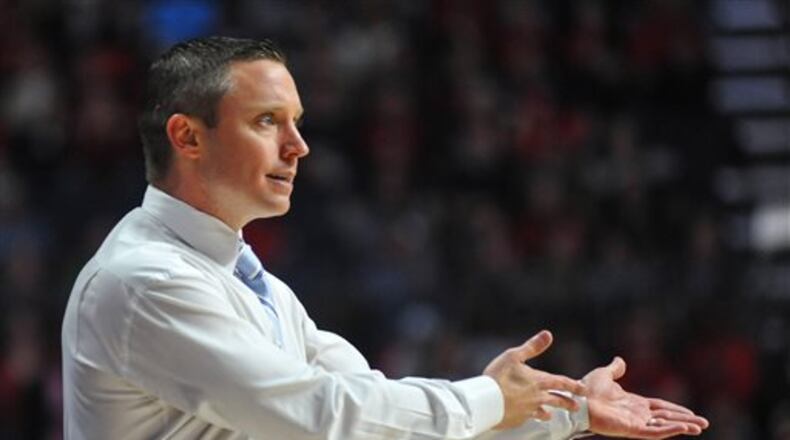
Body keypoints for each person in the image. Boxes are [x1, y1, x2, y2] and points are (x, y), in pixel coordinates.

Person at [61, 36, 708, 439]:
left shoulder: (254, 285)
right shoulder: (145, 281)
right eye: (267, 122)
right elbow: (324, 415)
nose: (299, 146)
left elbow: (378, 422)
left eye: (297, 122)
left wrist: (567, 412)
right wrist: (488, 396)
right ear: (188, 137)